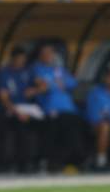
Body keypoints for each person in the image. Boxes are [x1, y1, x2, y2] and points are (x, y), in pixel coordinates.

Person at [31, 43, 87, 173]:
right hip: (50, 110)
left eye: (49, 53)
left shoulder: (59, 69)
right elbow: (43, 86)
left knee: (77, 128)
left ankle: (80, 161)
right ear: (40, 55)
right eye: (44, 53)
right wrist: (56, 84)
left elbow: (72, 82)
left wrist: (54, 84)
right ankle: (47, 162)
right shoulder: (36, 70)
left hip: (69, 110)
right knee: (53, 129)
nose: (47, 56)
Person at [0, 46, 43, 172]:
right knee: (20, 125)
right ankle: (20, 164)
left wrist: (35, 90)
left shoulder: (28, 71)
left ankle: (43, 162)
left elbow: (43, 85)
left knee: (49, 123)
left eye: (22, 60)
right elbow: (3, 98)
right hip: (10, 111)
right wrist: (17, 112)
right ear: (12, 59)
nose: (20, 62)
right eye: (17, 60)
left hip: (28, 109)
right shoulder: (4, 74)